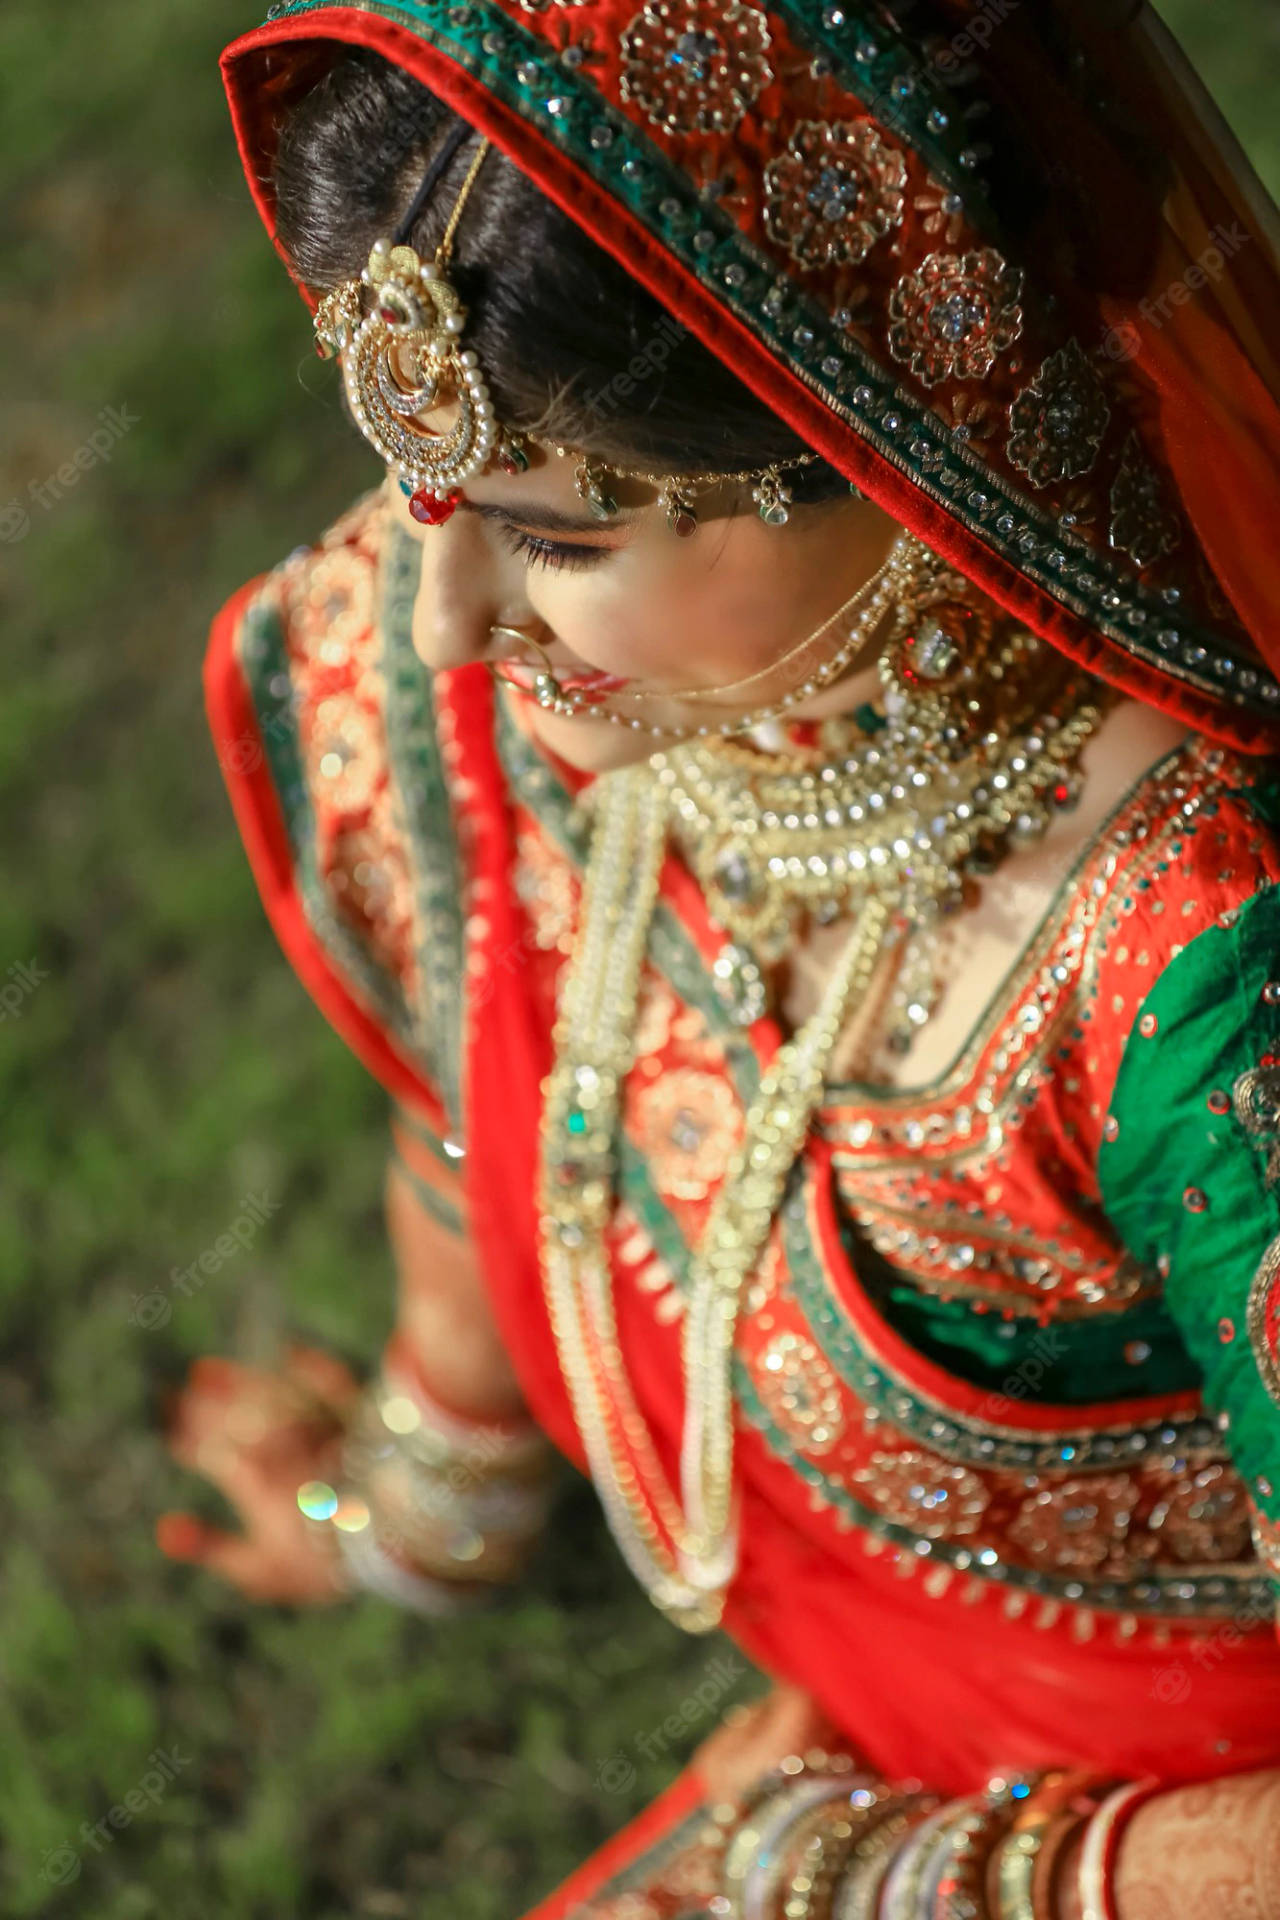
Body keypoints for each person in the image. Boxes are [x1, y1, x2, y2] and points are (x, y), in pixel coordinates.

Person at [160, 1, 1280, 1911]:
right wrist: (424, 1499)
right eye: (427, 501)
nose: (441, 617)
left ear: (884, 426)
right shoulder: (539, 675)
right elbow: (484, 1084)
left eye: (549, 534)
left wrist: (884, 1876)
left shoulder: (1194, 978)